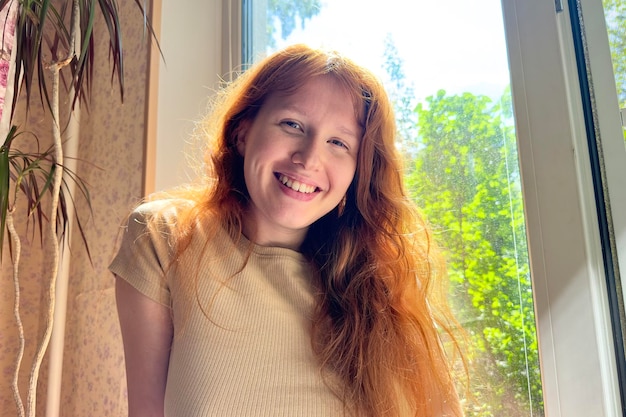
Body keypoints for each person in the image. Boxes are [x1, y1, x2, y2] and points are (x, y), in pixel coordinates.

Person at [110, 44, 465, 417]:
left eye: (338, 143)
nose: (310, 158)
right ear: (243, 132)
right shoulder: (163, 236)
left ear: (356, 172)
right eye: (292, 124)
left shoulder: (385, 285)